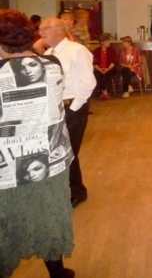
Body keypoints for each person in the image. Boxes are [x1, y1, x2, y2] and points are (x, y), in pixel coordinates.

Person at [0, 9, 75, 278]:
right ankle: (57, 272)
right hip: (49, 159)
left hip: (6, 166)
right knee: (49, 214)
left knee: (7, 221)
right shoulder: (52, 65)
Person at [40, 17, 96, 208]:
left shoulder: (77, 50)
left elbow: (88, 82)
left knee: (69, 150)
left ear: (59, 30)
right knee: (58, 150)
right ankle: (67, 189)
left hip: (72, 106)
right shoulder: (48, 53)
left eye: (45, 28)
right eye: (40, 29)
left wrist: (73, 108)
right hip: (54, 107)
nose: (41, 32)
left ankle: (77, 191)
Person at [93, 33, 118, 100]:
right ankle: (104, 92)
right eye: (107, 41)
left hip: (110, 69)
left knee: (106, 74)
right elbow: (94, 63)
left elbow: (114, 62)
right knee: (98, 75)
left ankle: (104, 92)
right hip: (99, 69)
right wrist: (100, 69)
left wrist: (107, 69)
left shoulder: (112, 50)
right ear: (102, 42)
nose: (109, 42)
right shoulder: (96, 51)